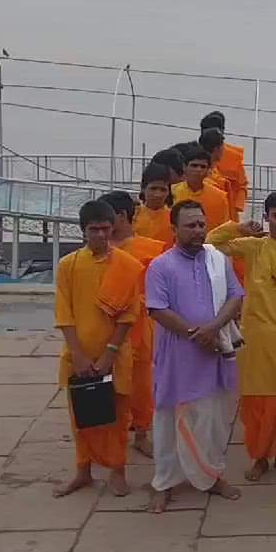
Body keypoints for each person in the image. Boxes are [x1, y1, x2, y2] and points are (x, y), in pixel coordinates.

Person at [206, 192, 276, 482]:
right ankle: (259, 457)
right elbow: (212, 243)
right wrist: (238, 227)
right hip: (255, 338)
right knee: (256, 403)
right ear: (267, 217)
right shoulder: (253, 247)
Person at [145, 201, 244, 512]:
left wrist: (212, 329)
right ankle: (164, 482)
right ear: (174, 229)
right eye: (190, 225)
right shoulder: (161, 266)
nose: (198, 230)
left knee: (213, 421)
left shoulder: (217, 259)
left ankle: (211, 476)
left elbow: (236, 296)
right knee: (169, 421)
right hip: (178, 357)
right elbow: (158, 309)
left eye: (201, 224)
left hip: (213, 353)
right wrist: (196, 334)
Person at [52, 200, 140, 498]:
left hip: (115, 355)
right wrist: (77, 354)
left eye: (105, 229)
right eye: (94, 230)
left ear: (112, 227)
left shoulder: (127, 266)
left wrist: (109, 354)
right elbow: (64, 313)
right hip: (77, 355)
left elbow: (129, 315)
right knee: (81, 418)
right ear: (83, 231)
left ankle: (118, 471)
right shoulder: (69, 265)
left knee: (117, 417)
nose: (101, 236)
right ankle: (83, 471)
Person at [99, 191, 166, 459]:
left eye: (106, 219)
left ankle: (141, 432)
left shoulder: (150, 249)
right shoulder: (99, 251)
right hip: (105, 326)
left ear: (121, 216)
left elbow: (159, 289)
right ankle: (110, 433)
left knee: (141, 384)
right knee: (108, 382)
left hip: (139, 325)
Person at [200, 112, 249, 222]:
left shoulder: (235, 157)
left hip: (229, 213)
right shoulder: (193, 157)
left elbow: (243, 185)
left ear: (222, 131)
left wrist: (236, 207)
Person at [172, 144, 230, 231]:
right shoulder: (171, 192)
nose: (198, 170)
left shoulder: (220, 196)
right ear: (184, 167)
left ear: (208, 170)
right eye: (194, 165)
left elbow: (224, 228)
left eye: (203, 167)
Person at [133, 163, 175, 246]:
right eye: (153, 188)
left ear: (168, 192)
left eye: (163, 190)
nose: (158, 194)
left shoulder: (175, 218)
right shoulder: (132, 215)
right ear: (143, 189)